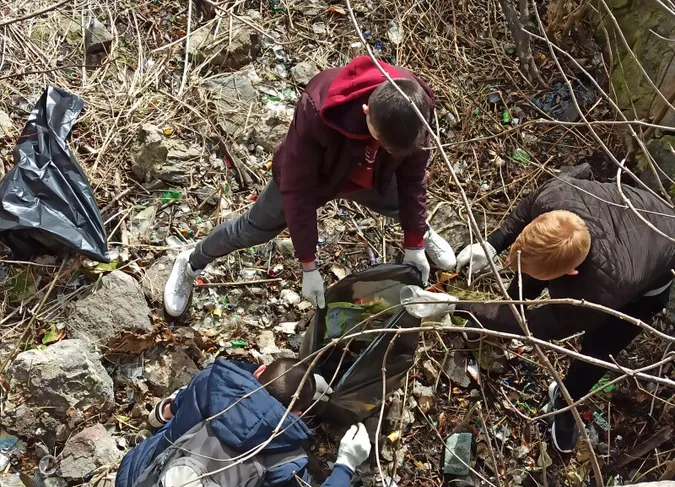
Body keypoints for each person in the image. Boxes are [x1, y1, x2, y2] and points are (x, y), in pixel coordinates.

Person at [164, 55, 457, 318]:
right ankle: (191, 262)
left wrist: (414, 241)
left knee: (397, 202)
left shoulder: (415, 108)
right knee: (252, 229)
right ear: (367, 110)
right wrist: (308, 264)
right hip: (320, 176)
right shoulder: (318, 109)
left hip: (372, 174)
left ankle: (422, 233)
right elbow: (297, 190)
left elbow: (413, 178)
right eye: (379, 139)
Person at [455, 178, 675, 453]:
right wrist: (492, 244)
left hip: (647, 282)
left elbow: (533, 327)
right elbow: (528, 210)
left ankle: (566, 400)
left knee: (599, 351)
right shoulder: (556, 196)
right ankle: (498, 319)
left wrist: (454, 304)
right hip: (638, 214)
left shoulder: (597, 294)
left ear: (569, 275)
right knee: (535, 264)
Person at [115, 358, 371, 487]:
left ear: (258, 372)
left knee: (186, 406)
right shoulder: (287, 461)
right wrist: (346, 464)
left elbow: (240, 377)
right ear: (297, 415)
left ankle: (165, 411)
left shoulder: (212, 381)